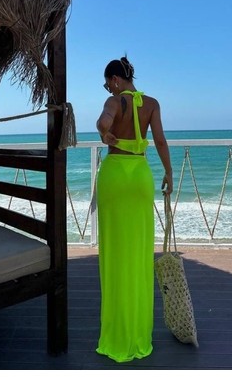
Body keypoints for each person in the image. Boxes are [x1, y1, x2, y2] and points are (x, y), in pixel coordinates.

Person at [95, 55, 173, 363]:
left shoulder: (114, 102)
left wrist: (105, 132)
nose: (109, 89)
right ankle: (139, 333)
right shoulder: (151, 104)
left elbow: (103, 121)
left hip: (115, 175)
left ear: (115, 79)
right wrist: (169, 173)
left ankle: (116, 332)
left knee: (114, 252)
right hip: (140, 176)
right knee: (140, 252)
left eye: (108, 84)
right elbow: (161, 142)